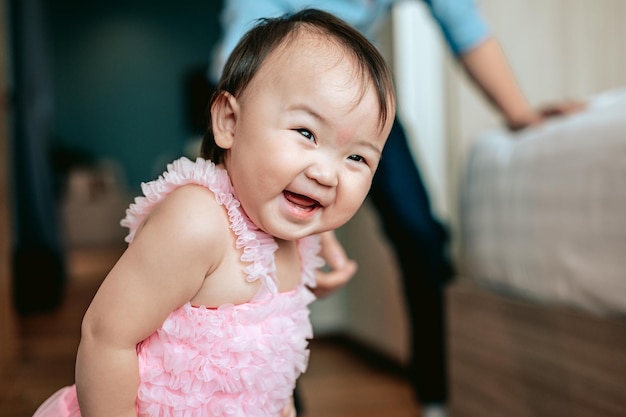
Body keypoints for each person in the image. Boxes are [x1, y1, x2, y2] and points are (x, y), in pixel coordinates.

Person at [210, 2, 585, 417]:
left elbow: (465, 28)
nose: (330, 175)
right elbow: (245, 45)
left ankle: (435, 394)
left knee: (421, 234)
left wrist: (521, 116)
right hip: (274, 87)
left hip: (351, 99)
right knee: (250, 249)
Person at [31, 9, 396, 417]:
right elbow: (105, 337)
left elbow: (271, 367)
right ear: (228, 123)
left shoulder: (296, 237)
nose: (327, 173)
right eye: (306, 133)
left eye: (357, 157)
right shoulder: (197, 221)